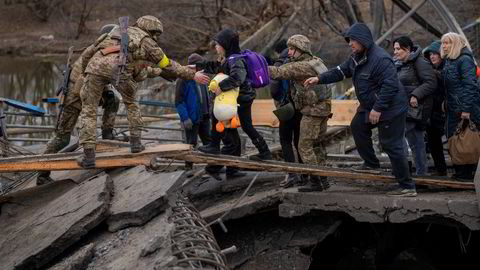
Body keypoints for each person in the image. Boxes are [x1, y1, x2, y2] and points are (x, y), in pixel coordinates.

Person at [77, 15, 209, 168]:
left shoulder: (114, 31)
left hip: (94, 67)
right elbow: (167, 64)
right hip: (120, 71)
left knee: (88, 110)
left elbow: (87, 53)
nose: (156, 37)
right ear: (151, 30)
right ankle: (136, 144)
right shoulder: (146, 41)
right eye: (156, 34)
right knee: (132, 104)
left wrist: (85, 73)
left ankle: (88, 157)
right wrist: (192, 74)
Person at [304, 23, 416, 197]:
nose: (350, 44)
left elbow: (391, 86)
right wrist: (318, 79)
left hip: (390, 107)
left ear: (363, 40)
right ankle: (371, 164)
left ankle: (407, 186)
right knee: (357, 126)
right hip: (370, 105)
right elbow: (339, 72)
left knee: (391, 145)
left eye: (353, 40)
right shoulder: (356, 57)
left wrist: (378, 109)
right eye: (349, 40)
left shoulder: (380, 59)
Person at [36, 25, 121, 185]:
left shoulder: (102, 48)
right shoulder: (103, 47)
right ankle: (42, 174)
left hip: (87, 90)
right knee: (62, 137)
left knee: (113, 99)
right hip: (73, 97)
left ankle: (108, 134)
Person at [196, 28, 272, 162]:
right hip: (243, 97)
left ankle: (214, 146)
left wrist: (221, 87)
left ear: (225, 45)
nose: (216, 47)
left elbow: (238, 78)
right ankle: (264, 151)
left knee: (216, 115)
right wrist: (197, 66)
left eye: (218, 44)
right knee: (247, 126)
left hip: (242, 98)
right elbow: (216, 66)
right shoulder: (229, 58)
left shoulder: (235, 60)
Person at [268, 34, 332, 192]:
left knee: (304, 146)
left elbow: (278, 72)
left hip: (312, 111)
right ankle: (323, 179)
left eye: (292, 49)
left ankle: (315, 181)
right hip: (323, 109)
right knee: (317, 145)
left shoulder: (302, 66)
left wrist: (255, 66)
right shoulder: (316, 60)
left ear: (301, 50)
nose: (289, 52)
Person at [393, 36, 437, 176]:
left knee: (412, 141)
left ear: (407, 49)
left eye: (398, 49)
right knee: (414, 141)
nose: (395, 52)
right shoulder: (400, 64)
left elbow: (431, 83)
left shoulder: (420, 62)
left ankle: (414, 174)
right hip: (402, 107)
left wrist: (415, 95)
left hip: (417, 108)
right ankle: (415, 173)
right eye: (394, 49)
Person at [441, 32, 480, 181]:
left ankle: (468, 173)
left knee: (467, 139)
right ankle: (461, 171)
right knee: (454, 139)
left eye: (447, 43)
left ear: (456, 44)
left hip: (464, 108)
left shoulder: (464, 60)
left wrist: (466, 109)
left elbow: (470, 86)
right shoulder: (450, 60)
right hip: (453, 107)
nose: (444, 46)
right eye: (443, 43)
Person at [269, 39, 306, 188]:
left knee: (285, 140)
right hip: (300, 106)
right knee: (299, 139)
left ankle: (292, 175)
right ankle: (305, 173)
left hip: (287, 107)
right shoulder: (298, 61)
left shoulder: (279, 64)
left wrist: (279, 99)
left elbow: (274, 89)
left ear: (278, 51)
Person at [175, 53, 212, 171]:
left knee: (209, 143)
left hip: (205, 116)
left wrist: (210, 108)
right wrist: (185, 118)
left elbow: (208, 94)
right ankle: (188, 167)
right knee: (191, 143)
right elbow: (179, 102)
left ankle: (213, 166)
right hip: (192, 118)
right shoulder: (183, 79)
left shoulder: (202, 76)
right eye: (200, 66)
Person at [423, 40, 448, 176]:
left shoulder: (448, 67)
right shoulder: (429, 70)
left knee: (455, 141)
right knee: (434, 142)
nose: (432, 56)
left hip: (447, 110)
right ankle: (441, 169)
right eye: (430, 54)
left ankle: (464, 170)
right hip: (433, 111)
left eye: (435, 54)